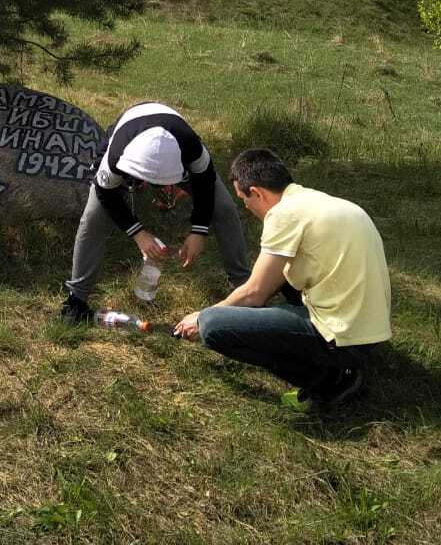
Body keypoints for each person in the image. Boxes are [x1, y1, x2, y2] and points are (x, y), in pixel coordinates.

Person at [173, 148, 392, 410]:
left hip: (343, 340)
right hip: (372, 331)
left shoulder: (284, 213)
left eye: (245, 200)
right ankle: (336, 362)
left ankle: (328, 380)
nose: (247, 207)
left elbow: (254, 292)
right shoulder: (317, 201)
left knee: (213, 326)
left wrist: (201, 315)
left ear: (257, 192)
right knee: (282, 275)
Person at [60, 101, 250, 322]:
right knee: (92, 219)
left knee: (225, 208)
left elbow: (205, 183)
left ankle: (244, 289)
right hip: (129, 137)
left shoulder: (192, 147)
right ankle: (76, 299)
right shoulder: (115, 154)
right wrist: (139, 234)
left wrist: (199, 230)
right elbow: (106, 194)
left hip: (176, 141)